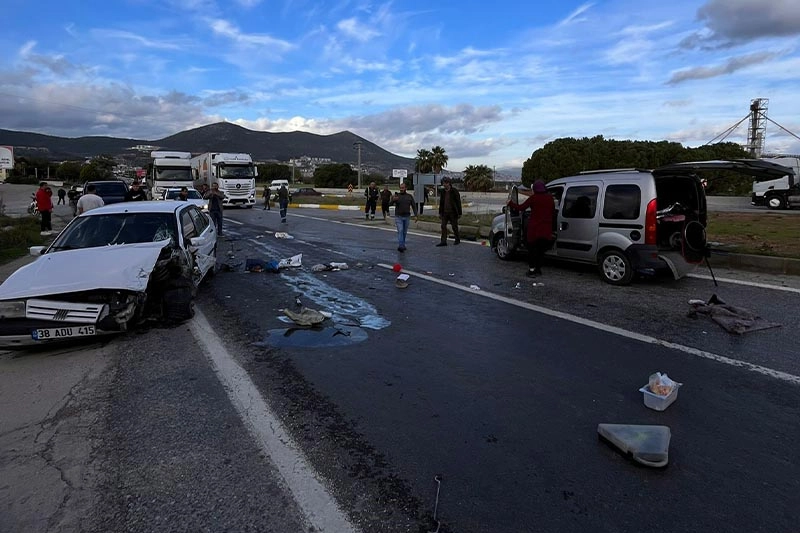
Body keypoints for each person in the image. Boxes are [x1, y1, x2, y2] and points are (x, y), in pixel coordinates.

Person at [507, 180, 555, 277]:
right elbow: (553, 212)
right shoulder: (550, 199)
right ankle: (538, 269)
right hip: (546, 230)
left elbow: (521, 208)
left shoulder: (533, 198)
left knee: (532, 251)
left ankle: (532, 270)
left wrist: (510, 203)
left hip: (534, 230)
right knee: (541, 251)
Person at [389, 183, 418, 252]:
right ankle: (401, 246)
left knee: (404, 232)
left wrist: (416, 215)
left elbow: (414, 206)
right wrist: (393, 200)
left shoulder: (409, 196)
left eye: (403, 188)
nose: (401, 189)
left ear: (405, 188)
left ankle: (403, 244)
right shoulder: (397, 196)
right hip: (398, 217)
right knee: (400, 230)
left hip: (407, 217)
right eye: (400, 188)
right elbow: (389, 204)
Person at [436, 176, 462, 246]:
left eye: (446, 183)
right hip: (444, 212)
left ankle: (457, 239)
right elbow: (441, 203)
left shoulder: (454, 191)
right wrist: (440, 213)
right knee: (443, 226)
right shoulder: (443, 192)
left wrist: (459, 213)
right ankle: (443, 241)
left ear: (449, 183)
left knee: (454, 226)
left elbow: (458, 202)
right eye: (443, 183)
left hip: (453, 212)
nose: (444, 185)